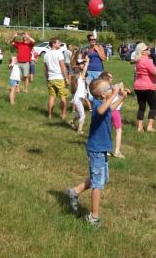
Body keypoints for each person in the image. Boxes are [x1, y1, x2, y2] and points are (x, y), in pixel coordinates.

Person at [65, 78, 126, 229]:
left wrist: (122, 97)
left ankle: (75, 191)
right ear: (103, 95)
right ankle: (94, 217)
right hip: (96, 150)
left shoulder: (104, 104)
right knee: (98, 183)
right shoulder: (98, 105)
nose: (113, 88)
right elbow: (101, 110)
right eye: (110, 88)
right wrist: (115, 93)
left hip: (101, 149)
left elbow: (110, 109)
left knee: (101, 179)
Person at [133, 43, 156, 133]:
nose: (149, 50)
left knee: (141, 107)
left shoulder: (138, 60)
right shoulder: (146, 60)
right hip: (148, 86)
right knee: (153, 107)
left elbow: (151, 69)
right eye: (147, 49)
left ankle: (139, 127)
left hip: (138, 86)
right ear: (143, 52)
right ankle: (149, 127)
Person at [98, 71, 128, 158]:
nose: (112, 79)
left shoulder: (105, 89)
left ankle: (105, 149)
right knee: (118, 131)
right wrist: (122, 89)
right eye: (111, 77)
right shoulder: (113, 88)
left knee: (108, 129)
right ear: (107, 79)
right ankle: (117, 151)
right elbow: (122, 94)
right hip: (115, 111)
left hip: (107, 111)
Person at [44, 38, 70, 120]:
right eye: (58, 43)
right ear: (53, 44)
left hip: (50, 78)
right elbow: (63, 67)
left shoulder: (46, 54)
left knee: (52, 96)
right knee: (63, 97)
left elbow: (45, 68)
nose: (60, 44)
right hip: (59, 78)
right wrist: (66, 78)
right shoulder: (59, 53)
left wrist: (47, 78)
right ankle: (63, 115)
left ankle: (50, 115)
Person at [69, 54, 90, 134]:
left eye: (83, 64)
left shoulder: (78, 74)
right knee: (83, 115)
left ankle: (71, 121)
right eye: (81, 64)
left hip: (79, 98)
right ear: (78, 66)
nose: (83, 65)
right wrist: (87, 62)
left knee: (80, 113)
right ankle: (79, 130)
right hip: (78, 99)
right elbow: (85, 70)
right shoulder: (80, 76)